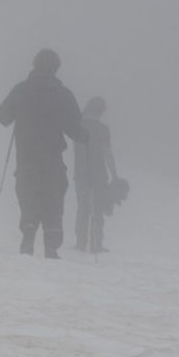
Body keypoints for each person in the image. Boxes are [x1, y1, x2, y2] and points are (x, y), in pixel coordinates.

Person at [0, 48, 89, 258]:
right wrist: (86, 136)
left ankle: (28, 230)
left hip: (27, 155)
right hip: (52, 156)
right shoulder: (63, 94)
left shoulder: (21, 90)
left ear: (34, 64)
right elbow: (75, 129)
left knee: (28, 192)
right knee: (53, 195)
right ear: (56, 68)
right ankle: (51, 243)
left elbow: (3, 117)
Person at [73, 96, 118, 254]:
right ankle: (96, 244)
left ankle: (80, 242)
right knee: (97, 209)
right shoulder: (103, 129)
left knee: (83, 207)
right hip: (99, 174)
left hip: (80, 172)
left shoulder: (78, 125)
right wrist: (114, 175)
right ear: (101, 111)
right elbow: (108, 153)